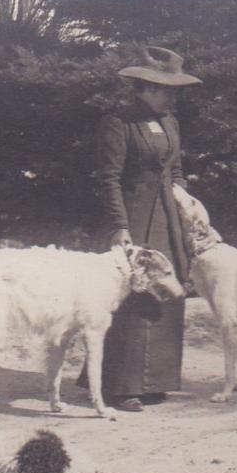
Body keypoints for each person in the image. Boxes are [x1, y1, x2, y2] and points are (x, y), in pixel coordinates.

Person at [76, 46, 202, 412]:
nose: (172, 96)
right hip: (132, 217)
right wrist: (119, 225)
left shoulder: (170, 122)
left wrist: (186, 205)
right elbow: (110, 178)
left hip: (166, 216)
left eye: (175, 90)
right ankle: (118, 385)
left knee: (164, 288)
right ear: (144, 87)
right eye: (165, 90)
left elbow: (175, 170)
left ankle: (155, 380)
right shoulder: (119, 123)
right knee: (130, 296)